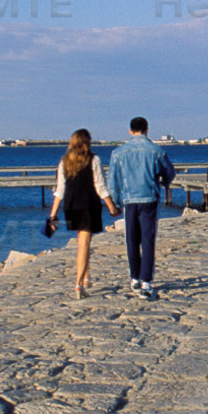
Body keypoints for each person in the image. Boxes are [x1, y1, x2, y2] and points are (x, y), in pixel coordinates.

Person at [106, 116, 175, 299]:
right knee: (148, 239)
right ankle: (146, 282)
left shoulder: (118, 153)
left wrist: (114, 203)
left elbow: (113, 181)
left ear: (130, 131)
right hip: (149, 199)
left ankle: (134, 277)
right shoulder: (156, 150)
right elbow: (169, 172)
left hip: (129, 200)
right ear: (147, 129)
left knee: (132, 239)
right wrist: (164, 182)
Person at [49, 129, 119, 297]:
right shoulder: (94, 160)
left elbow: (60, 191)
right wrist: (111, 207)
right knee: (84, 244)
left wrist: (52, 215)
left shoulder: (64, 161)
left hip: (71, 206)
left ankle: (86, 277)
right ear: (88, 142)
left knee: (83, 240)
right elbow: (100, 186)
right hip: (88, 205)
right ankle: (79, 285)